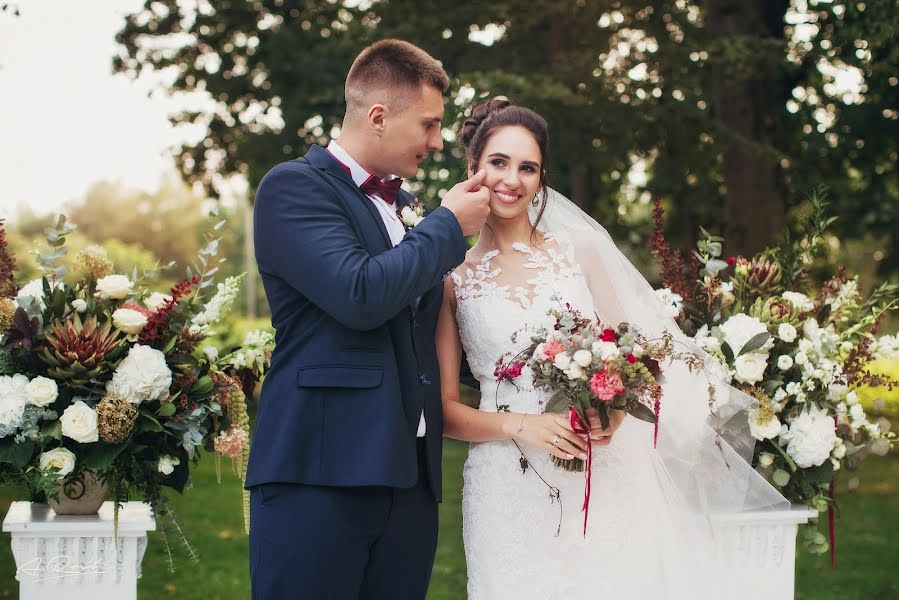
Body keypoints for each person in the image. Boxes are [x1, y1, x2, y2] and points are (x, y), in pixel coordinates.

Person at [435, 99, 789, 599]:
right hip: (505, 484)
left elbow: (640, 358)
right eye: (498, 162)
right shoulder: (452, 279)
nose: (511, 179)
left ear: (542, 179)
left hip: (603, 469)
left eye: (527, 167)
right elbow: (446, 411)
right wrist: (524, 425)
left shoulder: (579, 250)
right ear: (473, 168)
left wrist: (617, 411)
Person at [246, 39, 491, 600]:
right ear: (378, 116)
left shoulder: (408, 207)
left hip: (409, 480)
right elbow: (358, 293)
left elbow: (424, 331)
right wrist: (449, 224)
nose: (436, 142)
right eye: (429, 125)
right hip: (320, 471)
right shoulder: (292, 188)